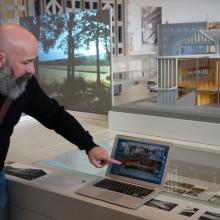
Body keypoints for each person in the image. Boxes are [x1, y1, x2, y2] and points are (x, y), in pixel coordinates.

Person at [0, 23, 121, 220]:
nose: (32, 69)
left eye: (34, 61)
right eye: (26, 62)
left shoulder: (24, 83)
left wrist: (89, 145)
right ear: (1, 59)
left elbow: (53, 114)